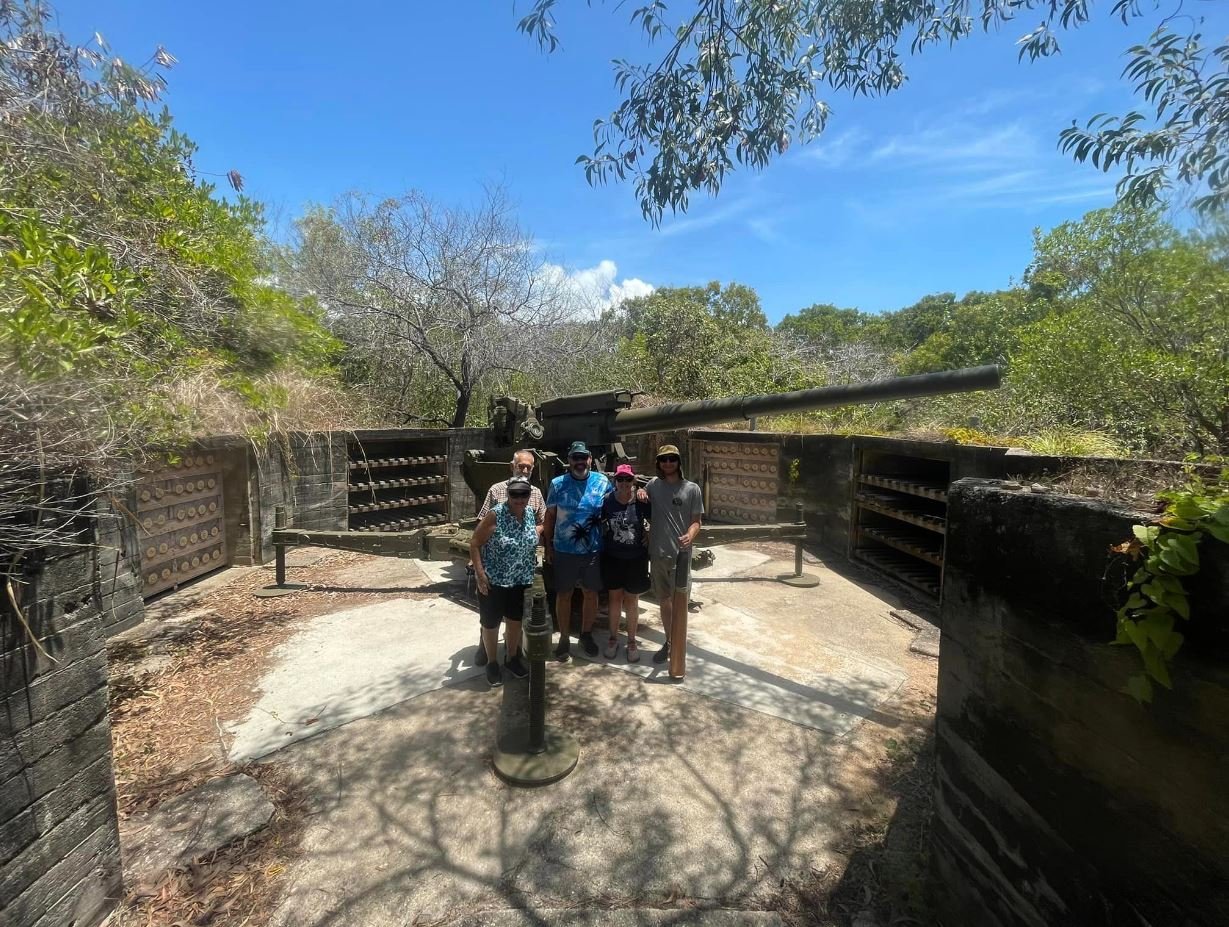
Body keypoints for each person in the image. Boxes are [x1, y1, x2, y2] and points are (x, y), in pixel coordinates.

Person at [473, 450, 545, 667]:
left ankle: (512, 657)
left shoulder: (535, 498)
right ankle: (489, 654)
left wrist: (535, 533)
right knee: (490, 621)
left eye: (528, 467)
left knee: (515, 619)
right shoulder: (497, 494)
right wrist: (479, 571)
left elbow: (542, 521)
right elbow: (478, 536)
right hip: (495, 575)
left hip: (520, 576)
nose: (520, 499)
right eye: (515, 495)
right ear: (511, 466)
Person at [542, 441, 611, 661]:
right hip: (564, 550)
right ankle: (563, 637)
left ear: (590, 459)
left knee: (591, 594)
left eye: (583, 457)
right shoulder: (558, 484)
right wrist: (548, 546)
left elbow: (617, 503)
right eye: (575, 458)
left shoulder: (602, 482)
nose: (580, 462)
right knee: (564, 594)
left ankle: (586, 635)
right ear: (569, 460)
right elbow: (550, 516)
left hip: (592, 550)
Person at [645, 444, 703, 677]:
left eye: (672, 459)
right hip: (658, 553)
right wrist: (640, 492)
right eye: (663, 460)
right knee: (664, 601)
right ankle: (669, 642)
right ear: (659, 463)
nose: (668, 463)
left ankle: (678, 645)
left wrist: (690, 534)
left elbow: (697, 520)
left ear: (679, 462)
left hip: (681, 555)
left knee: (680, 603)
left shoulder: (692, 489)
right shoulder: (652, 486)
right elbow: (638, 494)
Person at [599, 463, 651, 662]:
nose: (623, 483)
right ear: (615, 481)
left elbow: (656, 518)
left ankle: (631, 640)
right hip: (614, 557)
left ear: (633, 481)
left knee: (632, 600)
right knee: (614, 599)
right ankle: (613, 638)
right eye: (620, 479)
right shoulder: (607, 501)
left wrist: (650, 534)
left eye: (627, 479)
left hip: (635, 557)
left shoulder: (641, 501)